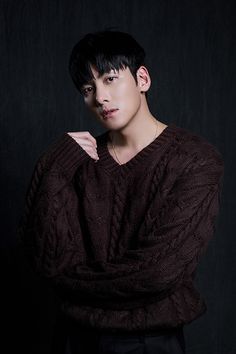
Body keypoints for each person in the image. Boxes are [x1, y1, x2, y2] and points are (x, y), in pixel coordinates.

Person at [19, 30, 224, 354]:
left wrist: (69, 283)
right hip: (73, 337)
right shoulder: (75, 161)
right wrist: (53, 168)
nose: (100, 97)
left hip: (150, 342)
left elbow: (158, 272)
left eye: (110, 79)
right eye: (88, 88)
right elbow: (46, 259)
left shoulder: (195, 160)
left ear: (142, 78)